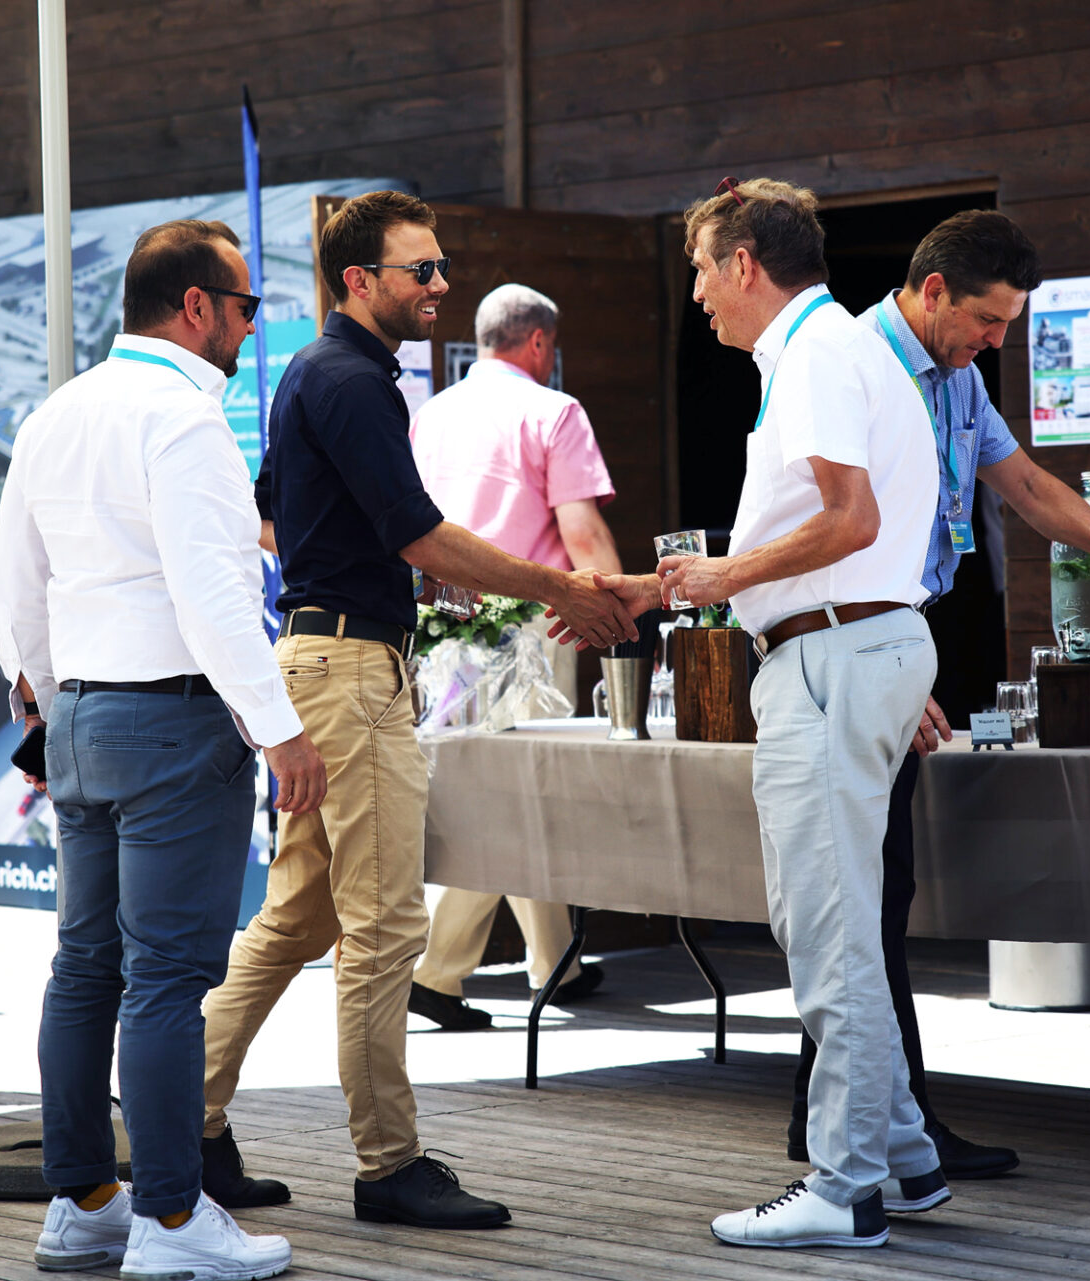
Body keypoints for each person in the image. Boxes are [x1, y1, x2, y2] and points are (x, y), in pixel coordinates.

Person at [198, 190, 635, 1229]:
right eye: (422, 269)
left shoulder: (321, 371)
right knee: (385, 926)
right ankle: (387, 1164)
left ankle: (184, 1122)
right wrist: (559, 587)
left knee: (298, 918)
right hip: (351, 672)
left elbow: (278, 518)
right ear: (361, 280)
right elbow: (416, 529)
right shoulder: (352, 378)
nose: (441, 284)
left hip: (330, 658)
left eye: (441, 267)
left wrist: (387, 571)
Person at [782, 210, 1090, 1181]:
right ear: (932, 293)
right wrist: (873, 661)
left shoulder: (956, 376)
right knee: (860, 903)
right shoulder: (850, 363)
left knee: (873, 897)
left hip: (895, 643)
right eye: (989, 321)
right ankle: (884, 1126)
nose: (998, 342)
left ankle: (850, 1119)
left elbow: (1027, 486)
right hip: (848, 647)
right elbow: (824, 525)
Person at [601, 177, 942, 1248]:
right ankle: (903, 1157)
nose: (699, 293)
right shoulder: (832, 349)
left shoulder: (816, 352)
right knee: (834, 918)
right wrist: (669, 587)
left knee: (827, 927)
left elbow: (850, 519)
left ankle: (846, 1185)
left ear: (744, 264)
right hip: (852, 645)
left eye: (702, 270)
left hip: (831, 654)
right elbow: (841, 533)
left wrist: (722, 575)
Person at [0, 219, 314, 1279]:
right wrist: (279, 729)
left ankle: (84, 1201)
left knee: (86, 967)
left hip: (80, 716)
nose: (250, 325)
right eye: (245, 305)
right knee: (167, 978)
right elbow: (214, 593)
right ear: (196, 306)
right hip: (174, 720)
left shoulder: (58, 412)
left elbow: (14, 582)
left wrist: (46, 698)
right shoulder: (184, 418)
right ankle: (171, 1219)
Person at [406, 282, 622, 1031]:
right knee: (516, 796)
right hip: (527, 626)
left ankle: (554, 961)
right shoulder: (553, 411)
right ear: (538, 343)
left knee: (496, 788)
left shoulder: (431, 416)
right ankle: (432, 970)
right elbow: (581, 531)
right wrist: (620, 616)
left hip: (444, 626)